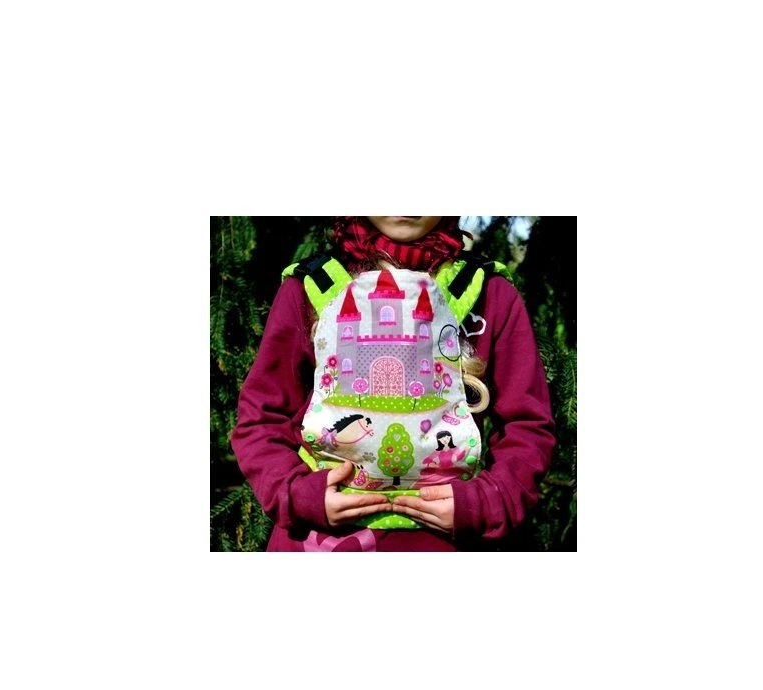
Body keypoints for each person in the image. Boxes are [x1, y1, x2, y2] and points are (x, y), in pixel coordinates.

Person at [231, 216, 556, 552]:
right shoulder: (313, 286)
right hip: (317, 541)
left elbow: (527, 426)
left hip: (444, 544)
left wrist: (485, 502)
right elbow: (261, 417)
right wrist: (299, 495)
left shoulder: (487, 292)